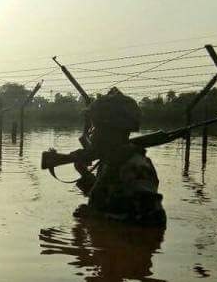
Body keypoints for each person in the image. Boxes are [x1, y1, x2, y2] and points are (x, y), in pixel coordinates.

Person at [71, 87, 166, 227]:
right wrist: (83, 172)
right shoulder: (112, 160)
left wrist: (98, 217)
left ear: (111, 131)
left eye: (96, 128)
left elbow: (154, 221)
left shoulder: (136, 166)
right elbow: (110, 198)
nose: (92, 134)